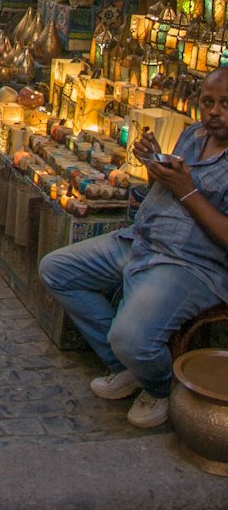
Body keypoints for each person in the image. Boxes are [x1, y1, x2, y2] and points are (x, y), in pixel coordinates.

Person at [39, 68, 228, 429]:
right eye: (208, 102)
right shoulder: (193, 134)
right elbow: (172, 183)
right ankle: (128, 366)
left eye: (225, 104)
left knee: (130, 337)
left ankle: (158, 386)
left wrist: (187, 189)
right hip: (139, 240)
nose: (214, 112)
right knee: (57, 269)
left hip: (186, 264)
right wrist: (155, 162)